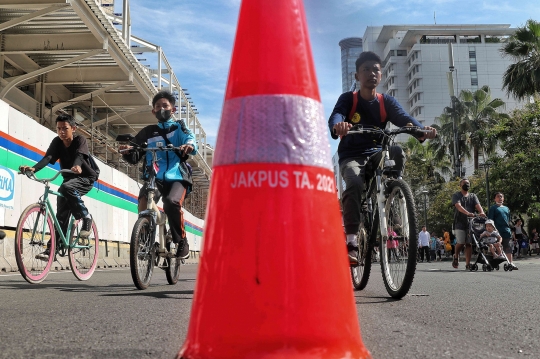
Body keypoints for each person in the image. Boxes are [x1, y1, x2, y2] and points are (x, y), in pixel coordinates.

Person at [328, 51, 437, 262]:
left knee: (396, 151)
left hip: (377, 152)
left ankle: (392, 192)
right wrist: (338, 126)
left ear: (381, 74)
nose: (371, 73)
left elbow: (404, 119)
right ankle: (351, 241)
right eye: (366, 69)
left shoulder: (385, 102)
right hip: (352, 156)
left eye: (376, 69)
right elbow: (337, 115)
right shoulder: (348, 99)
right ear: (357, 76)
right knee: (354, 183)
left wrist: (421, 130)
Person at [118, 90, 197, 260]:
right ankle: (145, 239)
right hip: (154, 177)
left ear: (173, 110)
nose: (162, 109)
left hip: (177, 176)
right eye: (158, 106)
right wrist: (127, 151)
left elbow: (190, 138)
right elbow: (135, 154)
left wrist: (189, 145)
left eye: (165, 106)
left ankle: (181, 240)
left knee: (171, 202)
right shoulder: (146, 132)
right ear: (153, 111)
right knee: (143, 200)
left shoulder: (179, 127)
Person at [19, 114, 97, 260]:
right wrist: (34, 169)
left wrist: (77, 166)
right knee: (61, 215)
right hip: (69, 179)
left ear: (73, 128)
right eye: (58, 128)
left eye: (65, 128)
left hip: (85, 177)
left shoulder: (80, 140)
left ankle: (85, 217)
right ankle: (52, 249)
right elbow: (48, 157)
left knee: (66, 188)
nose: (61, 131)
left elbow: (80, 156)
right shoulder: (57, 142)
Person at [451, 178, 486, 270]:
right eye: (464, 183)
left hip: (471, 223)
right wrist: (468, 213)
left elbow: (478, 206)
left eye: (468, 183)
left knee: (469, 243)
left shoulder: (473, 196)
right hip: (459, 222)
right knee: (461, 242)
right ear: (460, 185)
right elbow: (458, 206)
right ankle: (456, 255)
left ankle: (467, 264)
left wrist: (481, 212)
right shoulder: (456, 195)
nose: (466, 185)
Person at [487, 192, 517, 269]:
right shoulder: (493, 208)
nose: (500, 198)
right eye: (498, 196)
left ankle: (510, 263)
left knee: (508, 247)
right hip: (497, 231)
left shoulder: (506, 208)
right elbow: (490, 220)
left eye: (501, 196)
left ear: (503, 198)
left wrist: (512, 230)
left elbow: (509, 220)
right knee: (496, 247)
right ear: (495, 199)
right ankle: (493, 264)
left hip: (506, 231)